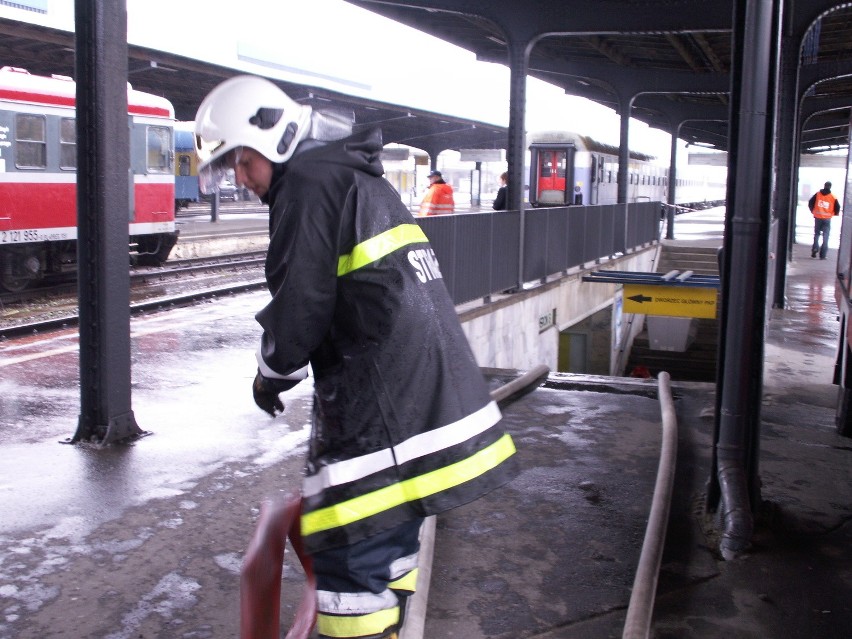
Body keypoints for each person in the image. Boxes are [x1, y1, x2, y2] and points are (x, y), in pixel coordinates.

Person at [194, 75, 518, 639]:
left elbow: (302, 301)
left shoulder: (309, 186)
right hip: (422, 391)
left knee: (345, 542)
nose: (241, 180)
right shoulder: (348, 176)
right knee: (387, 541)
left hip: (383, 403)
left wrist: (270, 373)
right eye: (230, 170)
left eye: (242, 162)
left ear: (273, 139)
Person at [809, 181, 840, 260]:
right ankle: (823, 255)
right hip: (827, 219)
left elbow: (810, 202)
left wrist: (813, 211)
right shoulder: (833, 197)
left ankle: (815, 249)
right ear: (830, 187)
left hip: (818, 217)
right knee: (826, 236)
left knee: (816, 234)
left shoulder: (818, 194)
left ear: (824, 186)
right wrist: (833, 214)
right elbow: (837, 207)